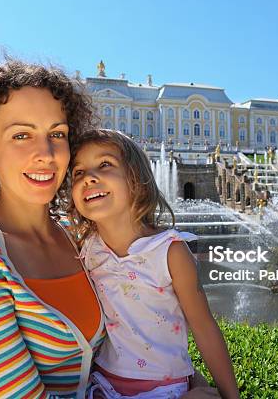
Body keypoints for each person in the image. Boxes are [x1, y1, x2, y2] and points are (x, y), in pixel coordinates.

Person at [0, 61, 217, 399]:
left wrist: (184, 381)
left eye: (57, 134)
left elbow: (138, 330)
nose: (46, 154)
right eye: (21, 135)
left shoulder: (79, 236)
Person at [69, 130, 239, 399]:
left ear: (137, 181)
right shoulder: (86, 247)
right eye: (78, 172)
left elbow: (204, 327)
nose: (88, 177)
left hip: (165, 389)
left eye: (104, 165)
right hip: (103, 386)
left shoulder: (169, 252)